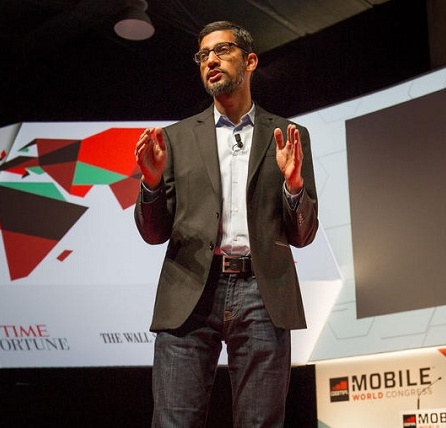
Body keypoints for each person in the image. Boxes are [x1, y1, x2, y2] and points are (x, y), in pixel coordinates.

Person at [133, 20, 319, 428]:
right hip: (190, 289)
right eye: (203, 55)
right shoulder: (176, 139)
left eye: (222, 50)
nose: (210, 61)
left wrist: (293, 186)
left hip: (262, 292)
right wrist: (150, 183)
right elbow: (153, 233)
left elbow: (303, 234)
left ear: (250, 61)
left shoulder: (288, 135)